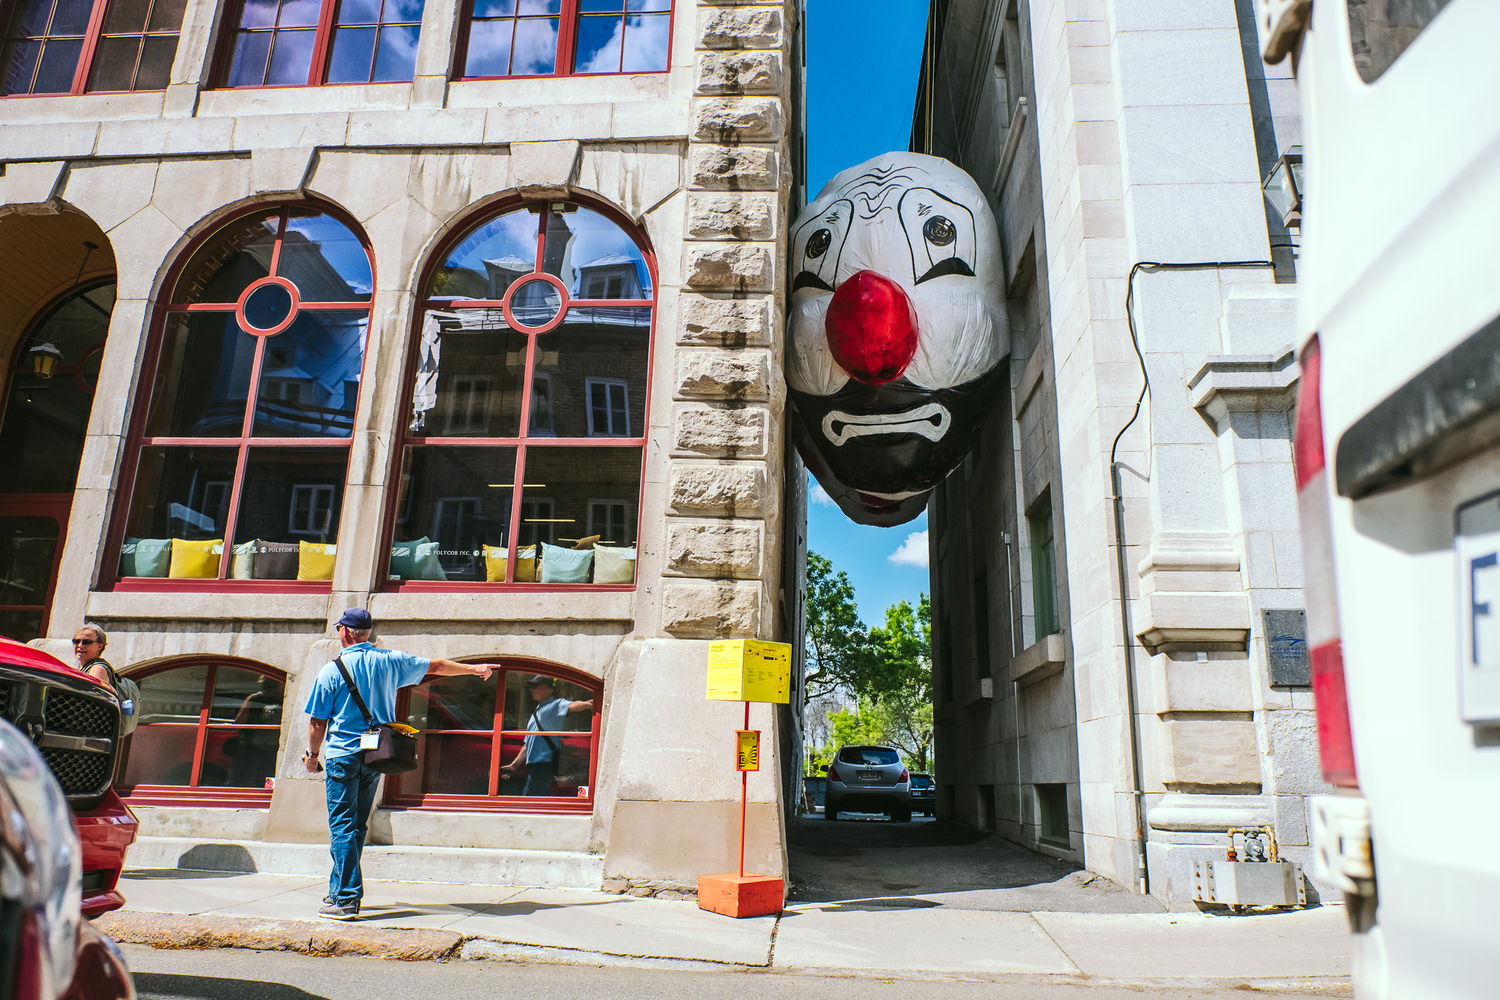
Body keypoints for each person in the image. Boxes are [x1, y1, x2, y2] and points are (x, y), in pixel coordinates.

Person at [302, 608, 492, 920]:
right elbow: (439, 665)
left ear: (345, 632)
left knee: (342, 827)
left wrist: (312, 756)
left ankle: (347, 899)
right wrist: (474, 669)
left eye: (339, 628)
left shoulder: (330, 672)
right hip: (376, 755)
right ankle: (338, 892)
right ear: (366, 632)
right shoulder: (389, 661)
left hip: (342, 757)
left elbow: (317, 724)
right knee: (356, 827)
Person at [500, 675, 594, 796]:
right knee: (537, 799)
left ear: (545, 688)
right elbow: (528, 743)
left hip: (544, 765)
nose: (531, 690)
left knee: (530, 800)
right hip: (535, 767)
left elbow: (572, 706)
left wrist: (587, 704)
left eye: (535, 686)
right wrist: (514, 765)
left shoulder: (555, 705)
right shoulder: (537, 711)